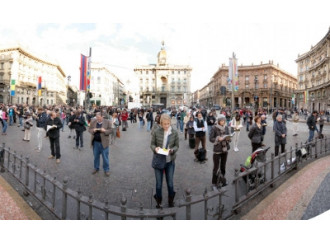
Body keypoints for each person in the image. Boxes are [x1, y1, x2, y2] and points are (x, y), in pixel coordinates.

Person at [150, 114, 179, 208]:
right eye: (164, 124)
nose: (166, 126)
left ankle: (171, 200)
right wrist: (155, 149)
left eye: (168, 124)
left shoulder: (174, 132)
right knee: (158, 184)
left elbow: (177, 146)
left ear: (170, 123)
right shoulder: (156, 131)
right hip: (159, 160)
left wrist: (172, 150)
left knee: (170, 183)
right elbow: (152, 144)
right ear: (161, 123)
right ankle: (159, 202)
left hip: (170, 161)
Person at [209, 115, 231, 189]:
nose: (223, 122)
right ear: (218, 121)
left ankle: (222, 179)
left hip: (225, 149)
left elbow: (228, 136)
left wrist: (228, 138)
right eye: (221, 121)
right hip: (217, 150)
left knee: (223, 166)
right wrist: (218, 139)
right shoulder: (214, 128)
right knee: (216, 167)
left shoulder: (226, 127)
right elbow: (211, 138)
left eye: (224, 121)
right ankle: (214, 183)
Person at [89, 112, 112, 177]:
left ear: (102, 117)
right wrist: (93, 130)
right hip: (95, 143)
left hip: (104, 143)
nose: (98, 119)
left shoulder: (107, 122)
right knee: (96, 156)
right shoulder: (93, 121)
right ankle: (96, 168)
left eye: (99, 118)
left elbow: (111, 130)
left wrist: (104, 131)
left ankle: (106, 169)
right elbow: (89, 129)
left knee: (105, 157)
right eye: (97, 118)